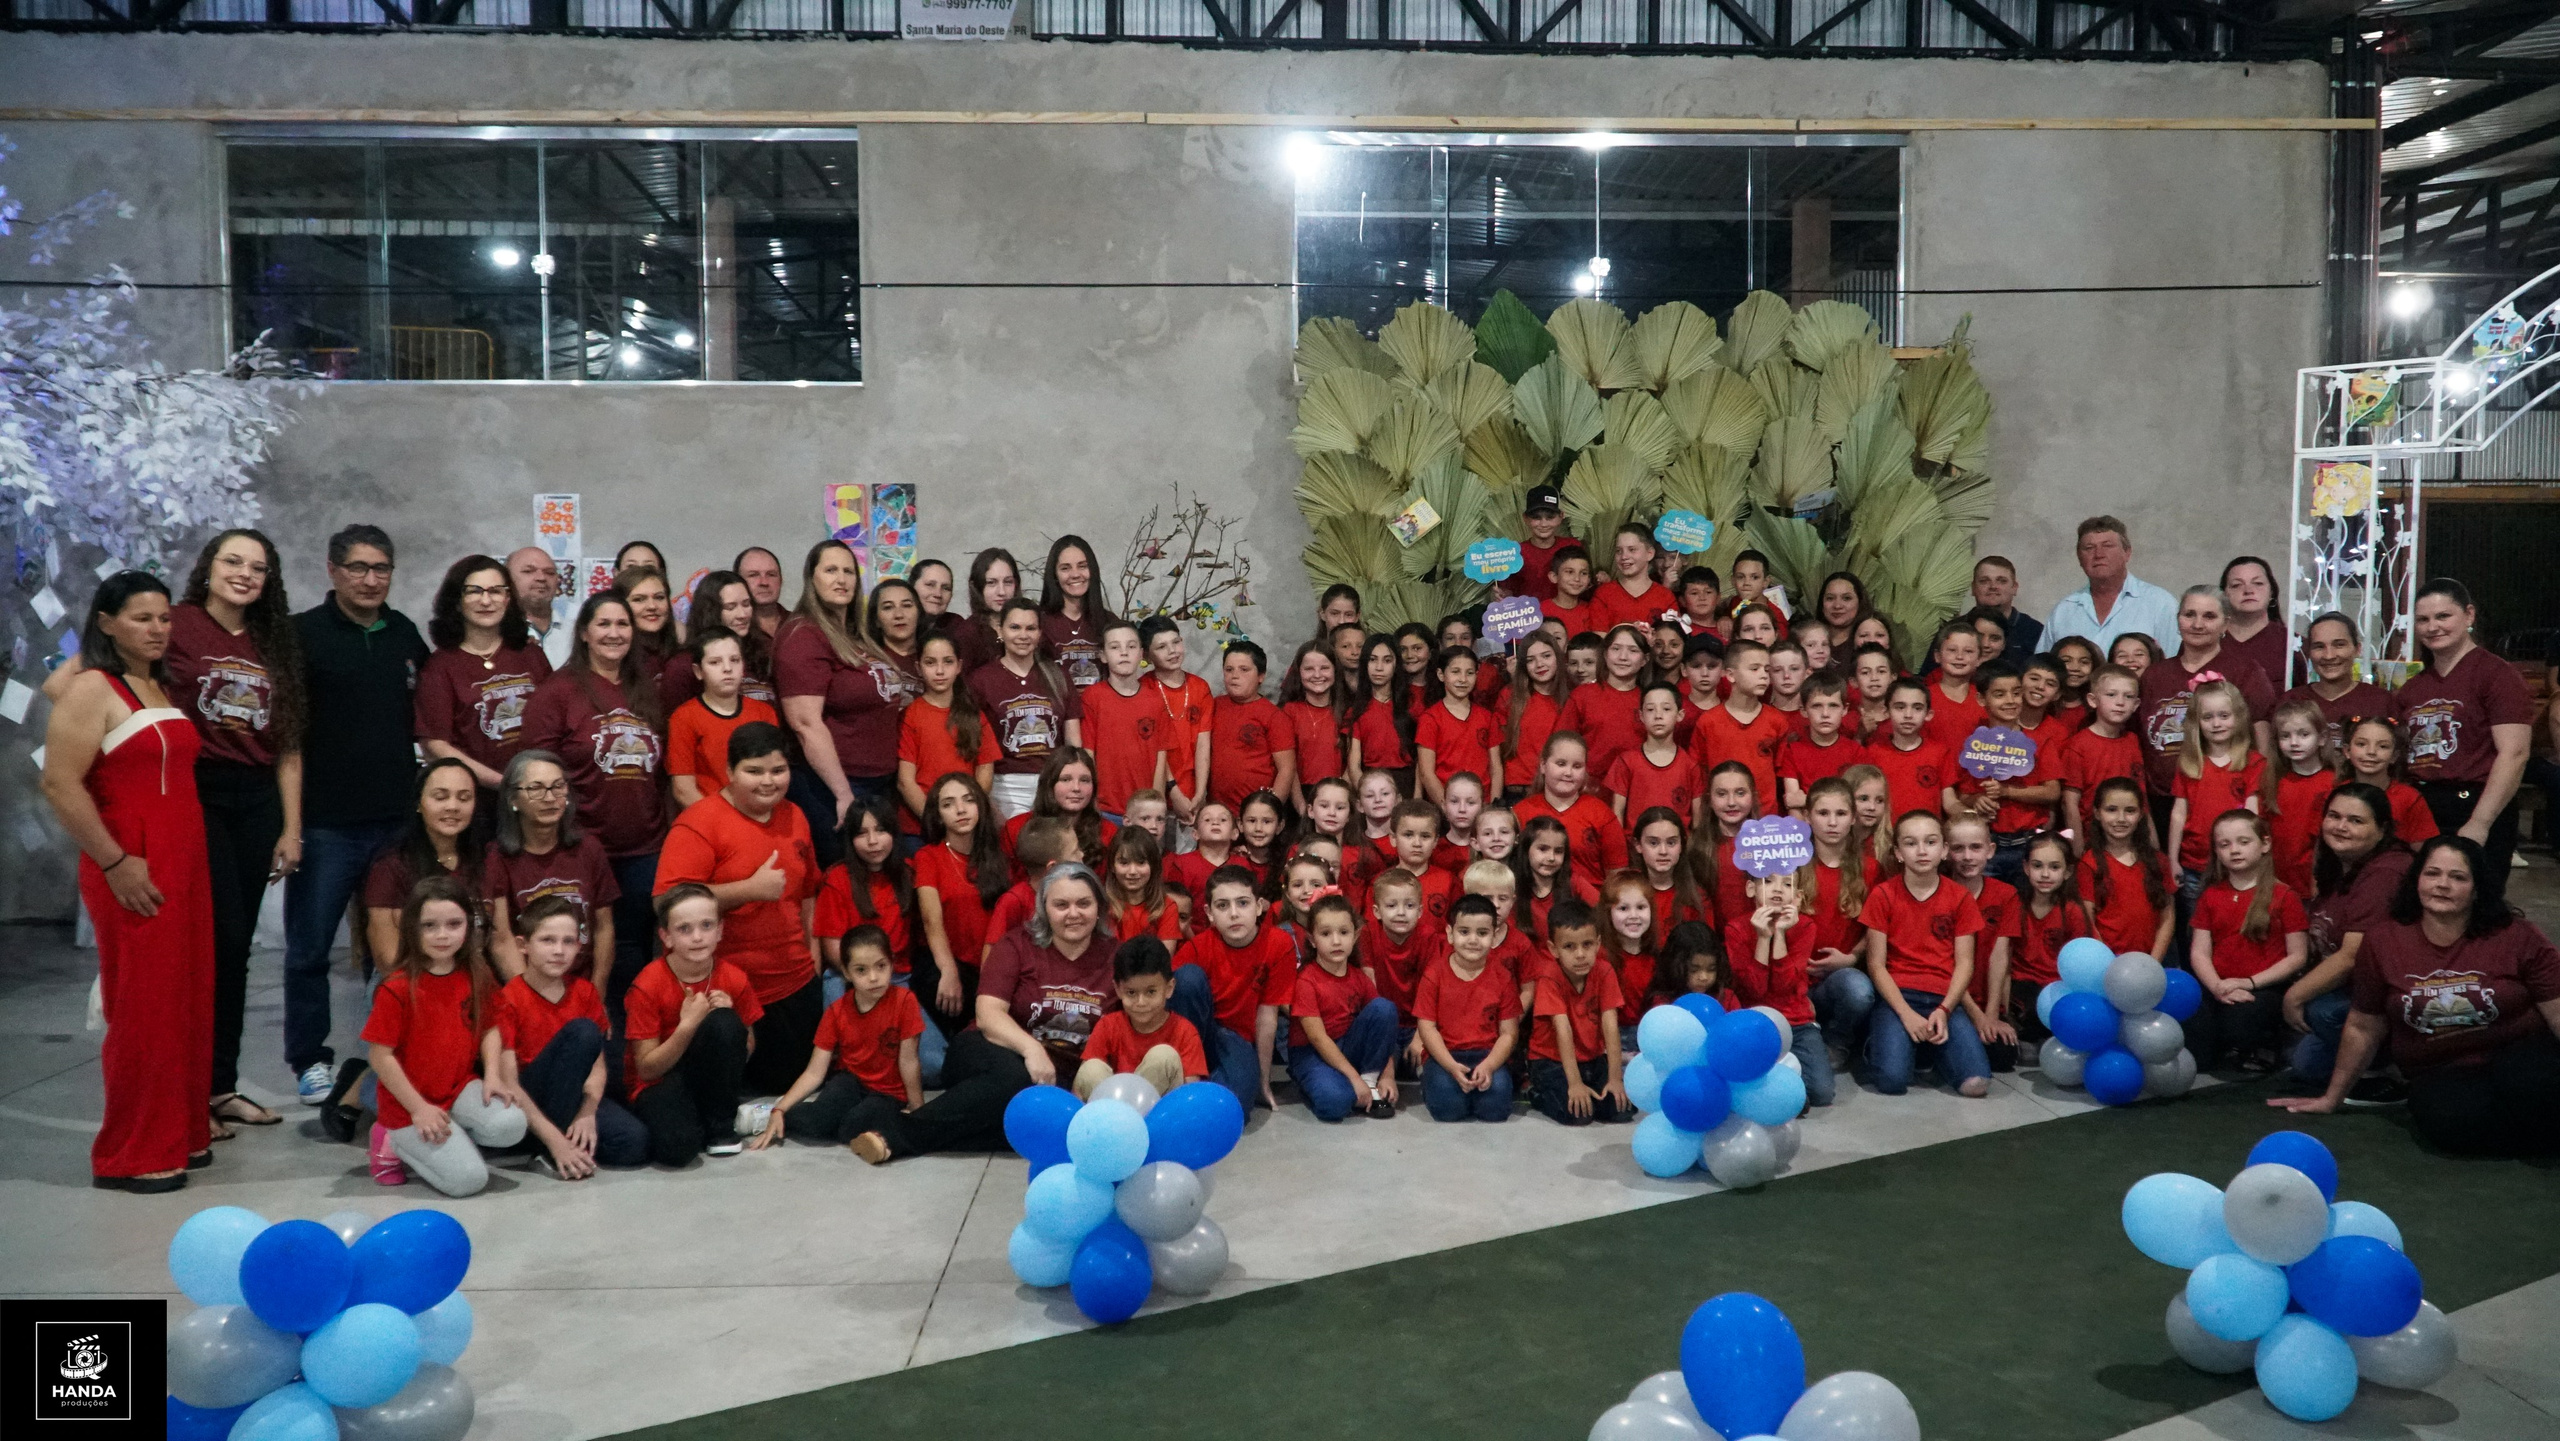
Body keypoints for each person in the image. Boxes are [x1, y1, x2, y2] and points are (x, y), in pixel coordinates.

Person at [41, 571, 215, 1191]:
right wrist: (116, 861)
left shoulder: (151, 684)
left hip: (183, 859)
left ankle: (183, 1132)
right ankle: (133, 1152)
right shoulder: (93, 686)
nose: (158, 629)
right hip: (133, 861)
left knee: (186, 1004)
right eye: (142, 618)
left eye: (165, 618)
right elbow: (60, 784)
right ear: (108, 621)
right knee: (144, 1010)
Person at [2274, 835, 2560, 1154]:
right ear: (2417, 881)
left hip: (2520, 1053)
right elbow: (2363, 1026)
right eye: (2432, 873)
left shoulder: (2518, 936)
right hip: (2443, 1069)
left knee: (2532, 1085)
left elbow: (2557, 1011)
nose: (2442, 885)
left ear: (2478, 888)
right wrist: (2332, 1098)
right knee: (2451, 1124)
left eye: (2458, 877)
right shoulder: (2383, 941)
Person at [285, 525, 430, 1106]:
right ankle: (309, 1059)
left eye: (382, 569)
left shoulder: (404, 634)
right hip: (325, 824)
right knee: (309, 947)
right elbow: (289, 736)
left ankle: (392, 1054)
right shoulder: (303, 636)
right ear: (333, 570)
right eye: (360, 568)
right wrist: (291, 825)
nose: (372, 580)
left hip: (395, 822)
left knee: (396, 948)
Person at [167, 529, 304, 1136]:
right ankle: (187, 1091)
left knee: (236, 948)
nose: (244, 574)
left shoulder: (274, 641)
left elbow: (288, 745)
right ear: (209, 567)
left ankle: (220, 1086)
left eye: (258, 566)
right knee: (206, 942)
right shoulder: (175, 624)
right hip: (196, 790)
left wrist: (291, 827)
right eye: (233, 561)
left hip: (255, 800)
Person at [862, 864, 1119, 1161]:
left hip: (1060, 1076)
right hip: (988, 1049)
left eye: (1083, 903)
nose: (1073, 913)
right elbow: (988, 1013)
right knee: (1016, 1080)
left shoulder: (1114, 955)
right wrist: (1031, 1049)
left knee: (1039, 1128)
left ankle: (892, 1127)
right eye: (1061, 904)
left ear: (1099, 907)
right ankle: (896, 1134)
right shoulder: (1017, 944)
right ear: (1044, 908)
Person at [652, 722, 823, 1096]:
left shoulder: (795, 815)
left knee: (788, 1087)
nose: (768, 781)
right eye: (754, 771)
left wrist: (814, 958)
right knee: (719, 1090)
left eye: (778, 771)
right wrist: (748, 890)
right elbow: (666, 900)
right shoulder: (699, 822)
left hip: (793, 983)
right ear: (729, 772)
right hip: (719, 990)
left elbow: (808, 894)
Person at [523, 592, 667, 1007]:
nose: (614, 633)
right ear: (584, 632)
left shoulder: (646, 691)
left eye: (622, 624)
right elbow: (536, 769)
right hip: (582, 846)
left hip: (645, 848)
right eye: (603, 624)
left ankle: (633, 1048)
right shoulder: (559, 691)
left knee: (638, 950)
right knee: (588, 953)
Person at [359, 874, 520, 1193]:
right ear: (411, 929)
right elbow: (380, 1056)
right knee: (469, 1181)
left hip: (457, 1089)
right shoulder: (398, 988)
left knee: (511, 1125)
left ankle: (448, 1136)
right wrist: (418, 1109)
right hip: (408, 1105)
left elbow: (489, 1025)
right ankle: (391, 1138)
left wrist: (492, 1075)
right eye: (429, 926)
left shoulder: (475, 972)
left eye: (453, 924)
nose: (442, 935)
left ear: (468, 926)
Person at [488, 895, 647, 1178]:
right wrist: (555, 1140)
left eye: (568, 941)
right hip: (530, 1098)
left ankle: (564, 1145)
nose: (559, 951)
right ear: (524, 945)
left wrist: (587, 1113)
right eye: (547, 941)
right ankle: (549, 1144)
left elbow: (597, 1067)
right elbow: (510, 1081)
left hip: (575, 1096)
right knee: (583, 1031)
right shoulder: (507, 998)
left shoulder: (584, 992)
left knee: (635, 1144)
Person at [2397, 578, 2535, 904]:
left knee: (2475, 908)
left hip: (2477, 804)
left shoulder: (2497, 676)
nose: (2433, 627)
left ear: (2469, 615)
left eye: (2443, 616)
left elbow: (2514, 753)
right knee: (2420, 905)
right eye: (2423, 619)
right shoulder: (2413, 689)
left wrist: (2480, 823)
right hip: (2422, 806)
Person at [775, 540, 911, 867]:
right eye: (831, 570)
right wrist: (842, 794)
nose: (842, 579)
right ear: (812, 578)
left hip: (877, 782)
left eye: (849, 571)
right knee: (844, 883)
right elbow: (805, 723)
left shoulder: (852, 634)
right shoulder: (803, 635)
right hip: (833, 787)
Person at [750, 924, 927, 1156]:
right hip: (851, 1083)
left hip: (889, 1094)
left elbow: (909, 1061)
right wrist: (780, 1108)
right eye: (861, 970)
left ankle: (865, 1126)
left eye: (881, 966)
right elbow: (814, 1072)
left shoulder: (905, 1002)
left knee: (849, 1128)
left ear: (892, 963)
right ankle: (769, 1113)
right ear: (846, 972)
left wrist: (918, 1109)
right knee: (817, 1123)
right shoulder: (836, 1012)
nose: (873, 977)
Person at [2281, 783, 2412, 1094]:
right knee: (2305, 1065)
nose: (2341, 827)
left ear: (2382, 830)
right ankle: (2363, 1063)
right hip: (2354, 989)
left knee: (2320, 1009)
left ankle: (2390, 1068)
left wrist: (2295, 995)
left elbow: (2353, 955)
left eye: (2356, 820)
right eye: (2334, 816)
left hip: (2391, 994)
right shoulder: (2339, 863)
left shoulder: (2386, 872)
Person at [625, 884, 761, 1164]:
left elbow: (747, 1050)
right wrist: (687, 1025)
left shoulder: (734, 978)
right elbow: (647, 1070)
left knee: (724, 1021)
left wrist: (730, 1022)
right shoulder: (648, 984)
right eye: (684, 929)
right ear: (666, 936)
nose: (698, 937)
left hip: (707, 1078)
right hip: (659, 1081)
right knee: (679, 1149)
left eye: (707, 925)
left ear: (720, 930)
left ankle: (721, 1127)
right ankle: (696, 1120)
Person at [1859, 811, 1990, 1098]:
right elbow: (1876, 965)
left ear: (1944, 850)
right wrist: (1906, 1015)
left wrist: (1944, 1010)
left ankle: (1933, 1050)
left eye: (1930, 842)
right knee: (1892, 1082)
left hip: (1944, 1000)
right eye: (1911, 843)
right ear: (1898, 853)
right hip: (1898, 999)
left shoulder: (1960, 898)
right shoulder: (1883, 895)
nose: (1921, 850)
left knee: (1976, 1085)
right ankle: (1877, 1045)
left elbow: (1965, 963)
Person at [2138, 585, 2279, 841]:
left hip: (2224, 798)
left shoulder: (2245, 672)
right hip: (2161, 799)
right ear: (2178, 620)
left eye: (2209, 616)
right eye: (2189, 614)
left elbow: (2262, 745)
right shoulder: (2154, 675)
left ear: (2226, 624)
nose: (2197, 624)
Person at [417, 554, 551, 807]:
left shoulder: (531, 655)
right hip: (473, 801)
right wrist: (504, 784)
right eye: (474, 591)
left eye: (496, 591)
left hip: (537, 797)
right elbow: (435, 744)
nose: (486, 600)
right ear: (457, 601)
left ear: (508, 598)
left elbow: (556, 720)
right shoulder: (441, 666)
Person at [482, 749, 619, 991]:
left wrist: (595, 995)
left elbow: (604, 928)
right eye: (536, 789)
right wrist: (533, 1000)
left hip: (582, 984)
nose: (550, 797)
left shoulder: (588, 849)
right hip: (527, 983)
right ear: (512, 799)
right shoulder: (497, 857)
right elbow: (502, 940)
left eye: (558, 786)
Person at [2184, 810, 2310, 1073]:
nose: (2234, 850)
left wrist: (2248, 983)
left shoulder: (2285, 895)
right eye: (2224, 844)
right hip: (2217, 984)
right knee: (2194, 1033)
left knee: (2239, 1024)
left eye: (2244, 842)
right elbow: (2199, 953)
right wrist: (2217, 986)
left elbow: (2298, 956)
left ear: (2264, 844)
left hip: (2263, 987)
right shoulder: (2210, 895)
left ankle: (2261, 1043)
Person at [1170, 865, 1298, 1111]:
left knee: (1237, 1102)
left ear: (1259, 906)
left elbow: (1267, 1016)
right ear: (1208, 913)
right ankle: (1185, 1082)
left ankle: (1205, 1091)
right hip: (1197, 1032)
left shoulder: (1278, 944)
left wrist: (1263, 1081)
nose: (1233, 914)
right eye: (1222, 906)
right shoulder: (1197, 948)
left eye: (1242, 903)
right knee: (1186, 977)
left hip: (1236, 1039)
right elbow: (1174, 1015)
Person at [361, 759, 483, 974]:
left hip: (472, 979)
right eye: (440, 797)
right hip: (408, 985)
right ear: (418, 803)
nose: (453, 806)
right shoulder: (391, 866)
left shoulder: (484, 858)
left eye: (464, 798)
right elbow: (388, 959)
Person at [1286, 896, 1400, 1120]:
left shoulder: (1359, 977)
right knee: (1335, 1104)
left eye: (1344, 933)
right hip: (1313, 1053)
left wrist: (1388, 1075)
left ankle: (1370, 1081)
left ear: (1355, 936)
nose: (1336, 941)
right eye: (1326, 934)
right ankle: (1320, 1081)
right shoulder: (1306, 981)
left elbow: (1383, 1030)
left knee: (1384, 1008)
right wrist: (1353, 1079)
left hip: (1348, 1046)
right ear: (1312, 940)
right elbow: (1318, 1038)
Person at [971, 596, 1083, 820]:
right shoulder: (980, 680)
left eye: (1031, 628)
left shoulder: (1058, 676)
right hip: (1005, 787)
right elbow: (975, 750)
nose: (1023, 635)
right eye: (1015, 627)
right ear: (1000, 630)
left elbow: (1074, 744)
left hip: (1054, 784)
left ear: (1040, 634)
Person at [1728, 863, 1830, 1104]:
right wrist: (1763, 937)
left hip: (1796, 1021)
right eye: (1768, 881)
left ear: (1797, 896)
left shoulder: (1805, 926)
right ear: (1751, 888)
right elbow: (1755, 990)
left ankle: (1782, 1089)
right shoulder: (1736, 929)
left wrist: (1781, 933)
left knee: (1822, 1093)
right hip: (1755, 1021)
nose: (1777, 890)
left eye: (1787, 884)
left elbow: (1785, 986)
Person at [1415, 894, 1521, 1122]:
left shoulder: (1503, 977)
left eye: (1482, 933)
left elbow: (1509, 1033)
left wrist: (1490, 1066)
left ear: (1494, 936)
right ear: (1450, 934)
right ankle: (1432, 1084)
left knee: (1496, 1109)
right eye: (1464, 932)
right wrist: (1451, 1066)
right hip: (1445, 1055)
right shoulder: (1434, 974)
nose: (1473, 940)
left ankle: (1477, 1087)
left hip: (1487, 1055)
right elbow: (1427, 1028)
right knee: (1448, 1110)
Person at [1524, 900, 1628, 1124]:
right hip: (1551, 1061)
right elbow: (1563, 1030)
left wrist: (1615, 1078)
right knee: (1579, 1115)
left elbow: (1610, 1026)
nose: (1580, 954)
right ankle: (1538, 1094)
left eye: (1587, 945)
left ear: (1598, 944)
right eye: (1569, 947)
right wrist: (1575, 1084)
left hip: (1591, 1058)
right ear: (1554, 949)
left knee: (1620, 1110)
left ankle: (1592, 1087)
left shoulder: (1604, 971)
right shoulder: (1549, 977)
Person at [1075, 937, 1209, 1099]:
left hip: (1161, 1118)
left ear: (1169, 988)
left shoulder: (1185, 1032)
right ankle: (1123, 1122)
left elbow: (1191, 1096)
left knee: (1164, 1056)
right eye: (1131, 993)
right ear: (1118, 989)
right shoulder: (1108, 1025)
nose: (1141, 1002)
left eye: (1151, 992)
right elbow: (1081, 1087)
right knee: (1091, 1068)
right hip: (1111, 1116)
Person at [2040, 516, 2180, 659]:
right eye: (2089, 548)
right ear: (2079, 558)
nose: (2098, 554)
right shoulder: (2064, 611)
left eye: (2107, 546)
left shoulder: (2160, 604)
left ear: (2127, 553)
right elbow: (2044, 669)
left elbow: (2173, 667)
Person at [667, 631, 778, 809]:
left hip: (760, 812)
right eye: (715, 662)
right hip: (710, 818)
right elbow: (683, 789)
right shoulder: (684, 717)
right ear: (698, 671)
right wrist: (723, 822)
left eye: (734, 660)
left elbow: (774, 772)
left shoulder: (763, 712)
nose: (727, 668)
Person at [1082, 620, 1171, 819]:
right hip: (1105, 808)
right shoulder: (1093, 697)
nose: (1124, 653)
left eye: (1131, 646)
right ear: (1103, 656)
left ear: (1141, 654)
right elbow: (1087, 754)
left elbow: (1160, 756)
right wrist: (1091, 802)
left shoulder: (1155, 700)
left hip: (1144, 811)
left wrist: (1155, 804)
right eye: (1115, 647)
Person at [2081, 776, 2173, 960]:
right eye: (2111, 810)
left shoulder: (2158, 861)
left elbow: (2167, 918)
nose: (2121, 819)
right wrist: (2109, 964)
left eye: (2130, 811)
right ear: (2097, 813)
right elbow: (2088, 922)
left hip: (2150, 963)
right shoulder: (2088, 863)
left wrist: (2153, 962)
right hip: (2106, 965)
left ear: (2141, 814)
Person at [2280, 611, 2396, 753]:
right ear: (2309, 652)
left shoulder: (2381, 701)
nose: (2329, 656)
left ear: (2357, 649)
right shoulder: (2292, 701)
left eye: (2339, 645)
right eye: (2319, 647)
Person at [2058, 665, 2144, 849]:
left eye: (2128, 696)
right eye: (2111, 695)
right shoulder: (2077, 745)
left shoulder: (2133, 741)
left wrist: (2152, 845)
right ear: (2093, 700)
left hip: (2131, 839)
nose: (2120, 702)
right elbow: (2069, 803)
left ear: (2136, 704)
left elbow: (2141, 796)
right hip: (2093, 842)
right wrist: (2078, 849)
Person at [2338, 717, 2439, 844]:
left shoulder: (2409, 798)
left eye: (2383, 746)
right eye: (2361, 744)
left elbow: (2423, 853)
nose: (2371, 752)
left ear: (2394, 756)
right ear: (2347, 751)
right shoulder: (2335, 795)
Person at [1036, 534, 1115, 688]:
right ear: (1054, 575)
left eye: (1082, 566)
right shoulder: (1039, 623)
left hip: (1101, 709)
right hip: (1060, 710)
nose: (1075, 574)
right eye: (1065, 568)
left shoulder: (1109, 621)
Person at [2218, 555, 2289, 688]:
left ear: (2271, 592)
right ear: (2224, 595)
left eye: (2258, 583)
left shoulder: (2293, 644)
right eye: (2237, 585)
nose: (2248, 591)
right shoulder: (2207, 640)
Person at [506, 545, 576, 668]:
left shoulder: (577, 633)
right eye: (528, 571)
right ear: (507, 579)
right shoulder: (496, 635)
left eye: (550, 573)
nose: (541, 578)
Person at [954, 548, 1022, 672]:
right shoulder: (968, 634)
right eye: (991, 583)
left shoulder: (1027, 626)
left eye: (1008, 582)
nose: (1001, 592)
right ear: (978, 587)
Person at [1971, 556, 2042, 664]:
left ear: (2014, 588)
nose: (1993, 586)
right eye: (1984, 581)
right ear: (1973, 588)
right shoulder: (1954, 629)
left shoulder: (2035, 632)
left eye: (2001, 581)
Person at [734, 546, 788, 639]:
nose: (764, 582)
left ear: (781, 580)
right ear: (737, 582)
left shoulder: (802, 624)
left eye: (771, 575)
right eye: (753, 575)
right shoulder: (730, 630)